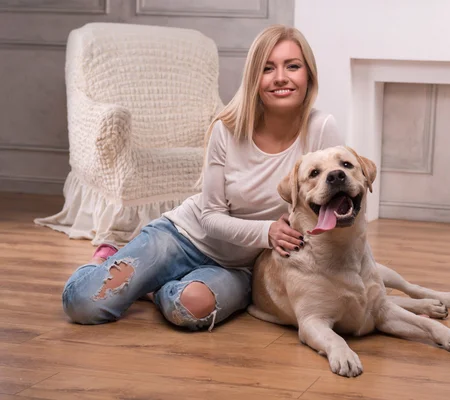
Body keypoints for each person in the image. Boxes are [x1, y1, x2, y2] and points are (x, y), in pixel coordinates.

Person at [61, 24, 344, 331]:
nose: (280, 78)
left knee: (190, 310)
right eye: (267, 68)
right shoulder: (227, 128)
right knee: (84, 305)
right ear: (254, 78)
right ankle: (108, 258)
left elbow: (335, 207)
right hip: (183, 237)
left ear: (308, 75)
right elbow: (210, 216)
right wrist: (267, 233)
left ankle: (154, 285)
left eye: (293, 66)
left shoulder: (322, 128)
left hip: (242, 266)